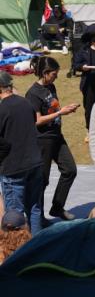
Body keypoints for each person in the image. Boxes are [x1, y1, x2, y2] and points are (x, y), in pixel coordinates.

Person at [26, 56, 79, 222]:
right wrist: (60, 113)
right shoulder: (33, 93)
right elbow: (37, 121)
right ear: (45, 73)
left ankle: (57, 207)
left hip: (57, 136)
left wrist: (64, 110)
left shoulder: (51, 87)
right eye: (54, 74)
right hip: (43, 140)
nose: (56, 76)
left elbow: (53, 109)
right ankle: (38, 218)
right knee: (42, 180)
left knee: (70, 169)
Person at [0, 71, 44, 235]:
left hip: (13, 168)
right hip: (34, 163)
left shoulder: (2, 108)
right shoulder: (25, 102)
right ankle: (36, 247)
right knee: (34, 208)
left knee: (14, 216)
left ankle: (16, 252)